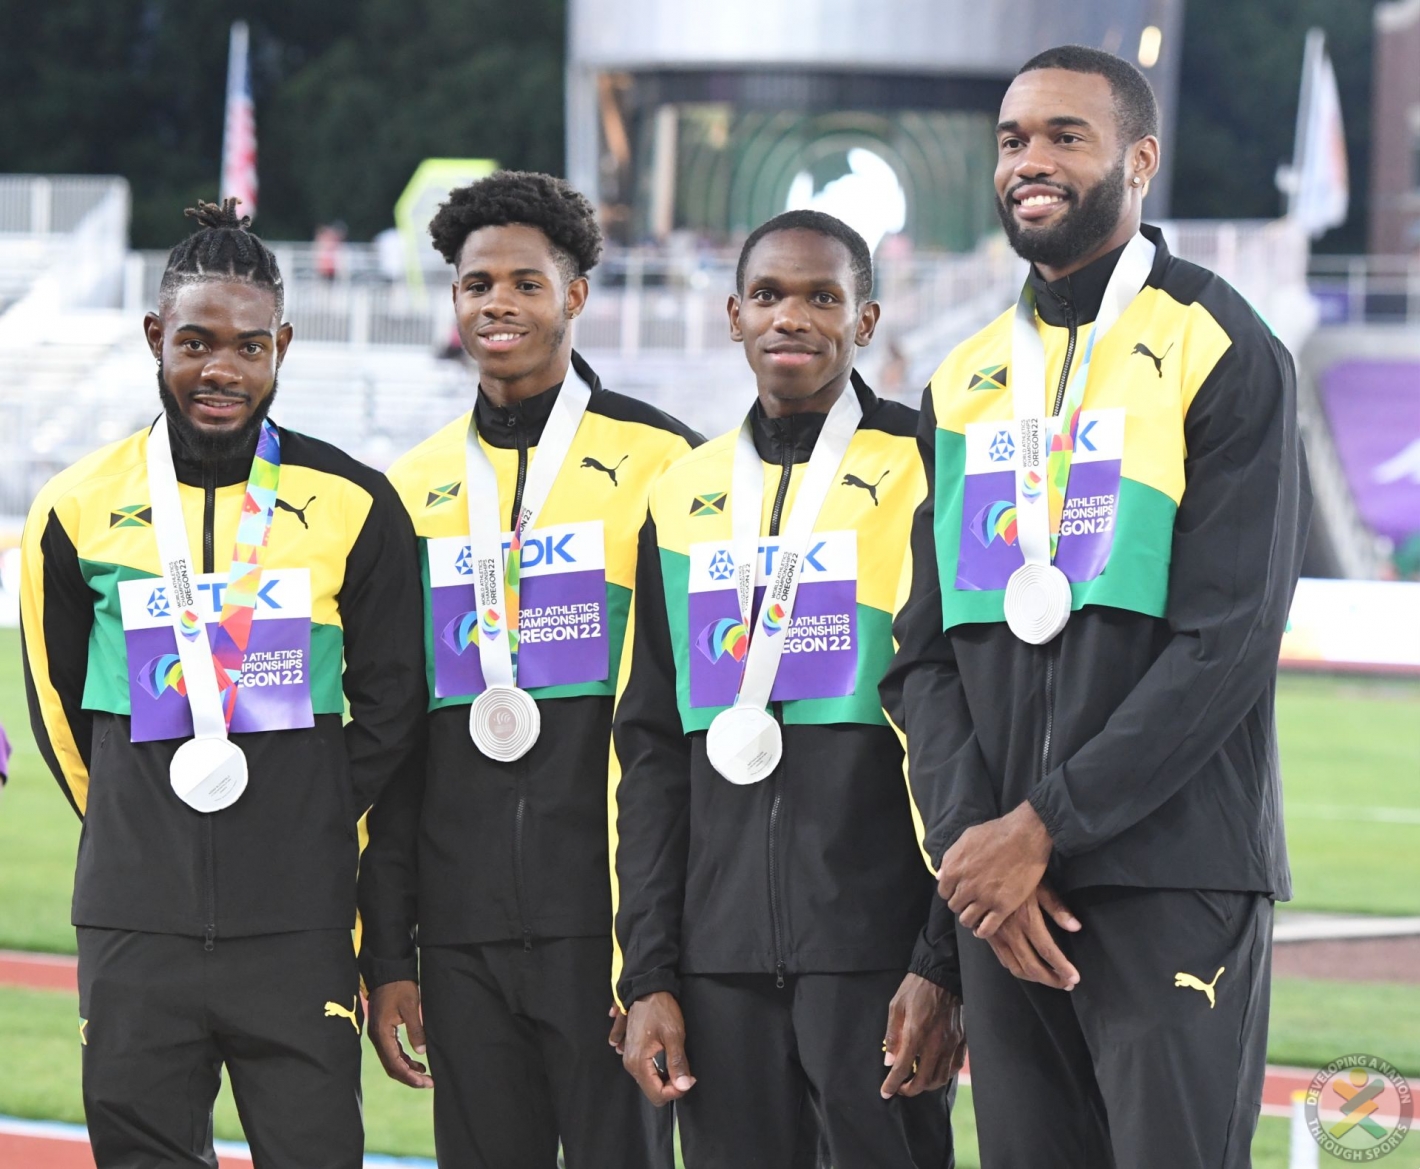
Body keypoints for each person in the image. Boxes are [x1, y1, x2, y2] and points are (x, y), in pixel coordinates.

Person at [881, 45, 1311, 1168]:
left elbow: (1227, 642)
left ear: (1139, 159)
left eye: (1065, 135)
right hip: (1001, 898)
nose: (1030, 160)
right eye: (1012, 140)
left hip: (1169, 876)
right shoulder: (962, 378)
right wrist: (979, 862)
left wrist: (1044, 827)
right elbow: (921, 658)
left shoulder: (1220, 348)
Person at [20, 198, 425, 1168]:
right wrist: (141, 827)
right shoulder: (76, 507)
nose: (221, 370)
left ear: (283, 344)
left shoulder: (356, 503)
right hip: (136, 918)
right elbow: (59, 710)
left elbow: (393, 710)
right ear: (156, 335)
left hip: (297, 921)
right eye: (196, 342)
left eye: (249, 346)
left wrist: (306, 818)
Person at [357, 171, 695, 1168]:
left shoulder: (666, 463)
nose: (496, 303)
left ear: (576, 294)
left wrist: (661, 953)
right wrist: (390, 952)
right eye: (474, 283)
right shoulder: (408, 492)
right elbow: (392, 745)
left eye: (524, 281)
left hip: (607, 932)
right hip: (459, 939)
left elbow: (683, 732)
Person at [613, 209, 964, 1168]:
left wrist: (940, 959)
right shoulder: (681, 495)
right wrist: (649, 969)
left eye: (823, 296)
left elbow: (967, 724)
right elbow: (650, 748)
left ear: (867, 320)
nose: (791, 318)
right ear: (732, 314)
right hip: (714, 961)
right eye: (768, 295)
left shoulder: (921, 466)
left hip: (875, 949)